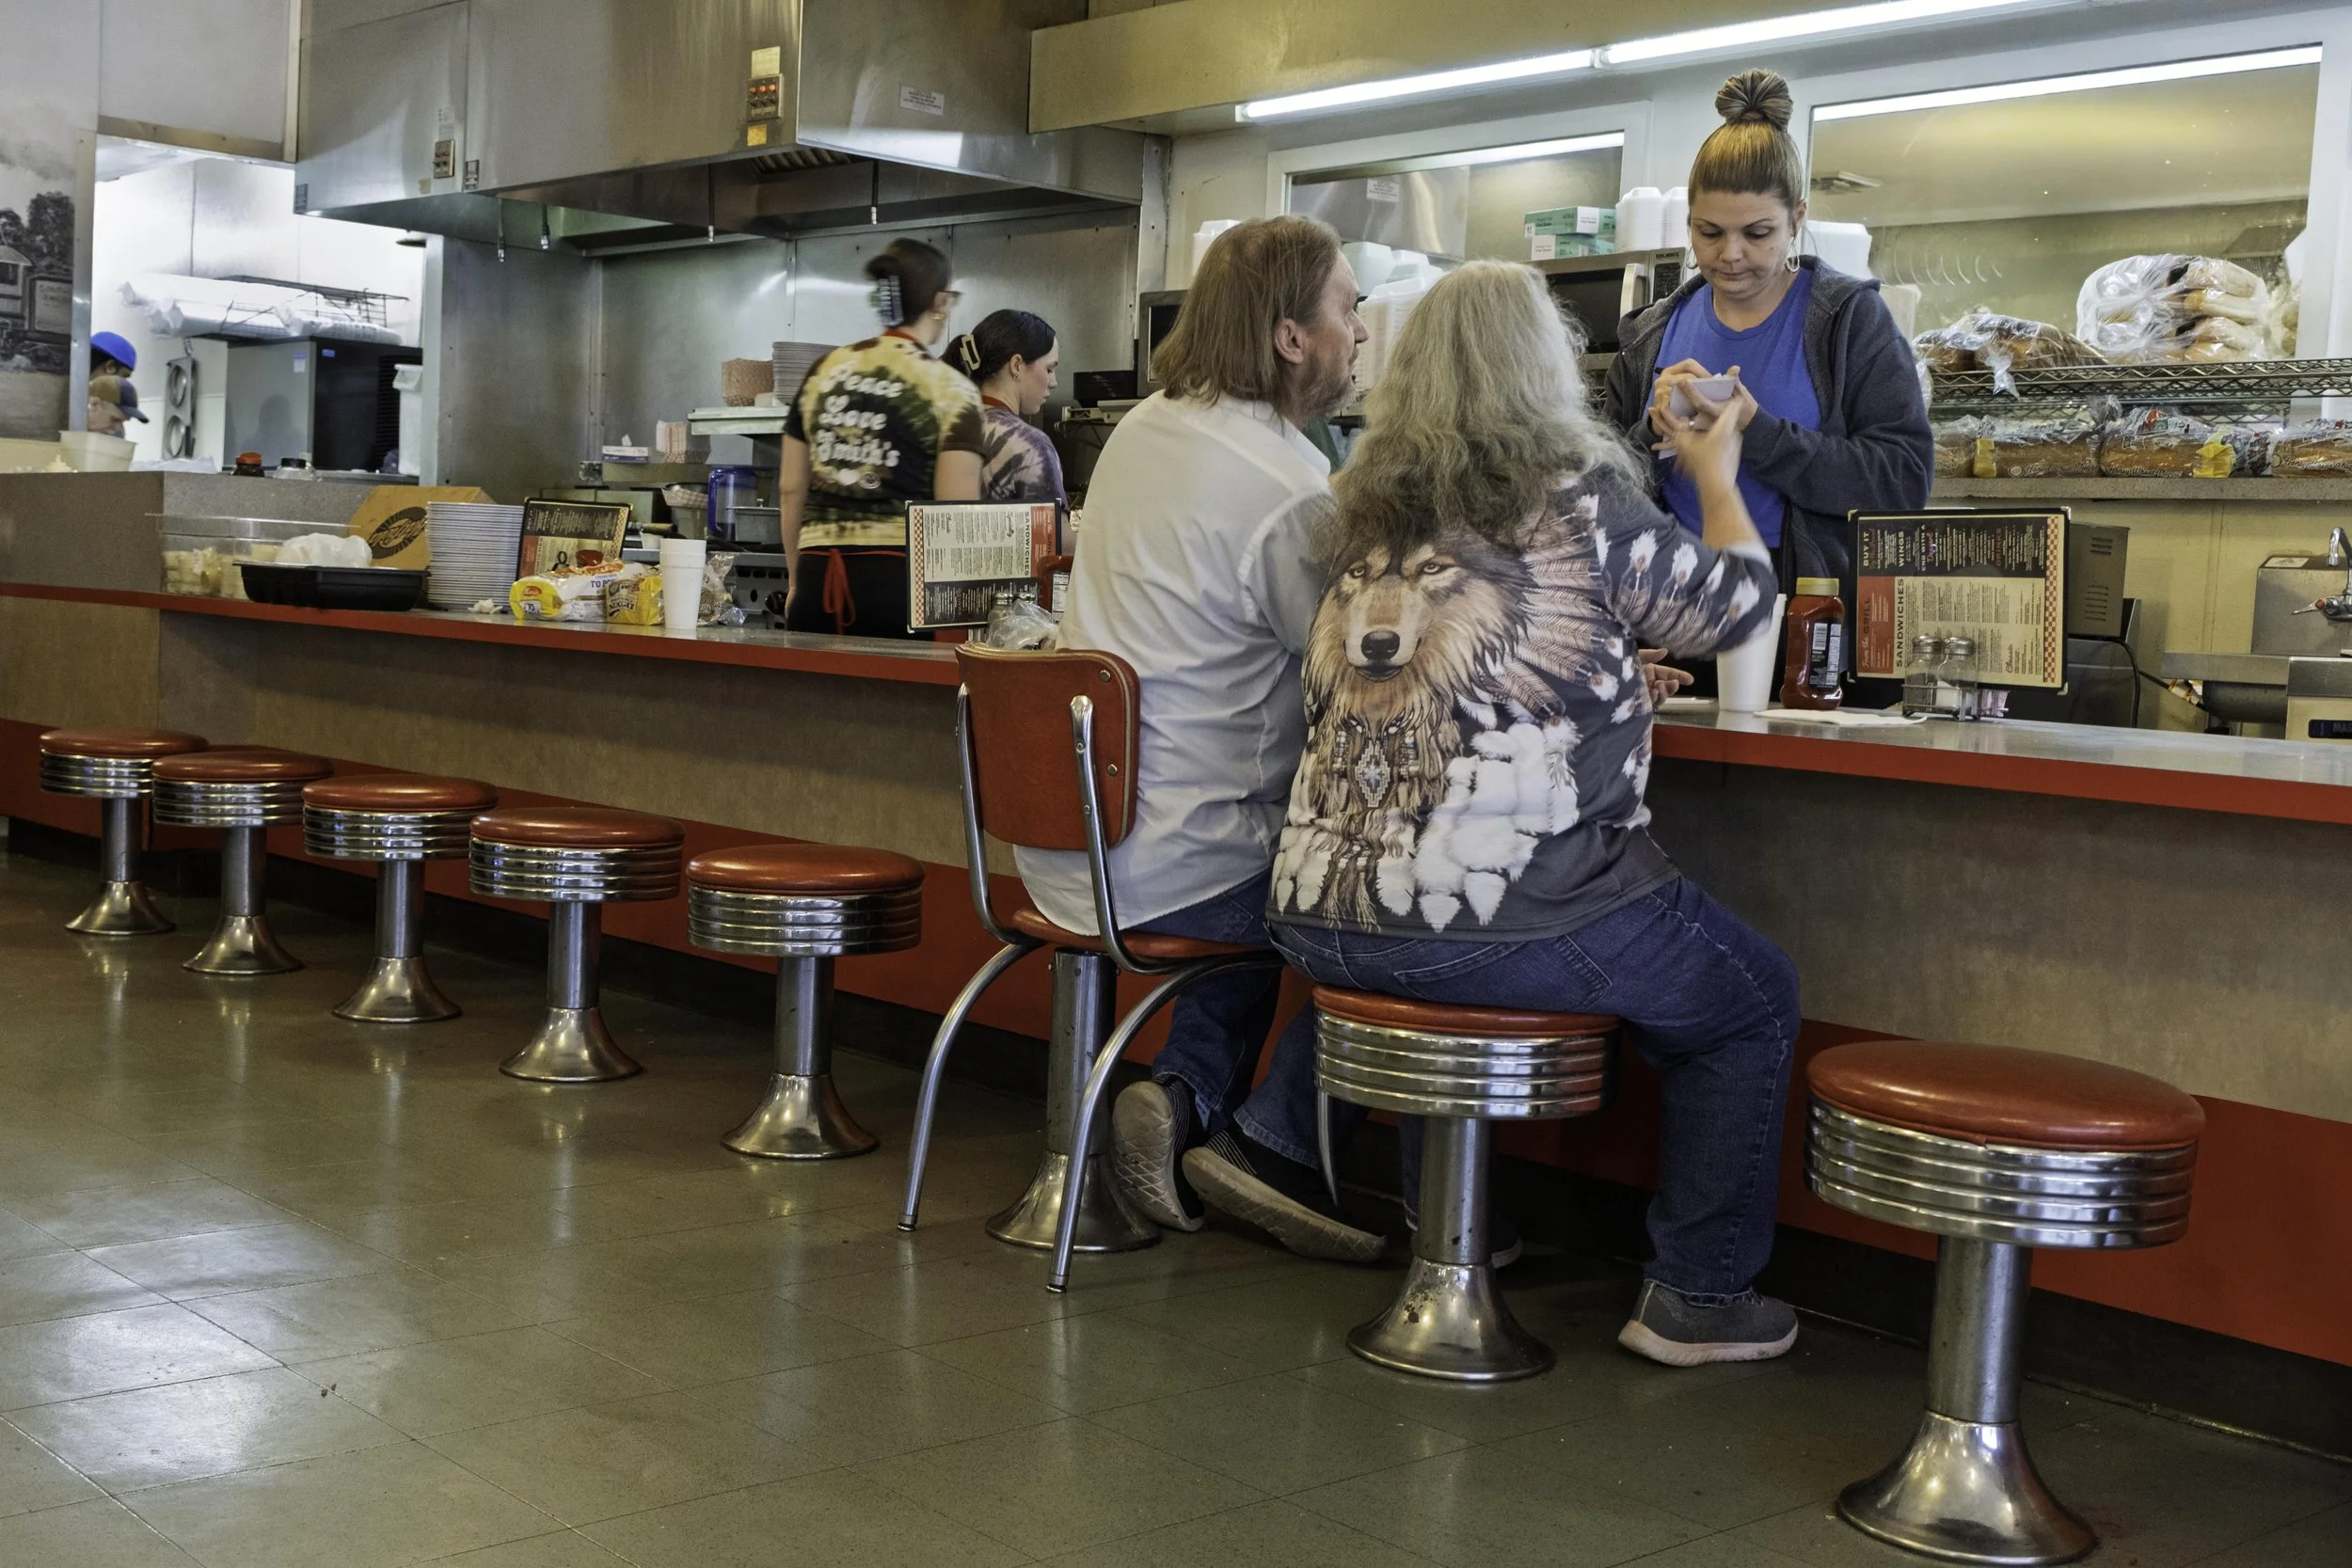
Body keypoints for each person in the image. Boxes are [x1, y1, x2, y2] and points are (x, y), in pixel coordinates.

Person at [1215, 259, 1804, 1366]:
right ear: (1548, 371)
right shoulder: (1581, 497)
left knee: (1448, 943)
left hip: (1320, 914)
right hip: (1496, 916)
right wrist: (1716, 468)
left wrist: (1611, 672)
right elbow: (1735, 607)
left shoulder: (1358, 514)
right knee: (1751, 997)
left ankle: (1318, 1153)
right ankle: (1698, 1294)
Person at [1012, 215, 1373, 1252]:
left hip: (1067, 845)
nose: (1359, 332)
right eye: (1348, 308)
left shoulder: (1141, 429)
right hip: (1178, 858)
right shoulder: (1288, 486)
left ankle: (1184, 1105)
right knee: (1342, 901)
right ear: (1292, 337)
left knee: (1253, 862)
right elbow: (1339, 664)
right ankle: (1243, 1126)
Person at [1603, 70, 1931, 598]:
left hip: (1800, 605)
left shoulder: (1848, 321)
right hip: (1669, 604)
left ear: (1796, 218)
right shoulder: (1650, 335)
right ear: (1689, 223)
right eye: (1709, 232)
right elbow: (1593, 497)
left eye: (1757, 233)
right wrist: (1648, 435)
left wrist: (1756, 431)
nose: (1730, 254)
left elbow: (1902, 480)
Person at [779, 239, 984, 639]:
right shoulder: (953, 390)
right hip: (900, 590)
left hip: (817, 576)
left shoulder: (823, 371)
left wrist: (795, 581)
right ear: (940, 302)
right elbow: (954, 516)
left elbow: (789, 488)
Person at [947, 310, 1066, 505]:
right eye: (1050, 369)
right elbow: (1055, 533)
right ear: (1016, 365)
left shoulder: (950, 427)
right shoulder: (1029, 444)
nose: (1054, 382)